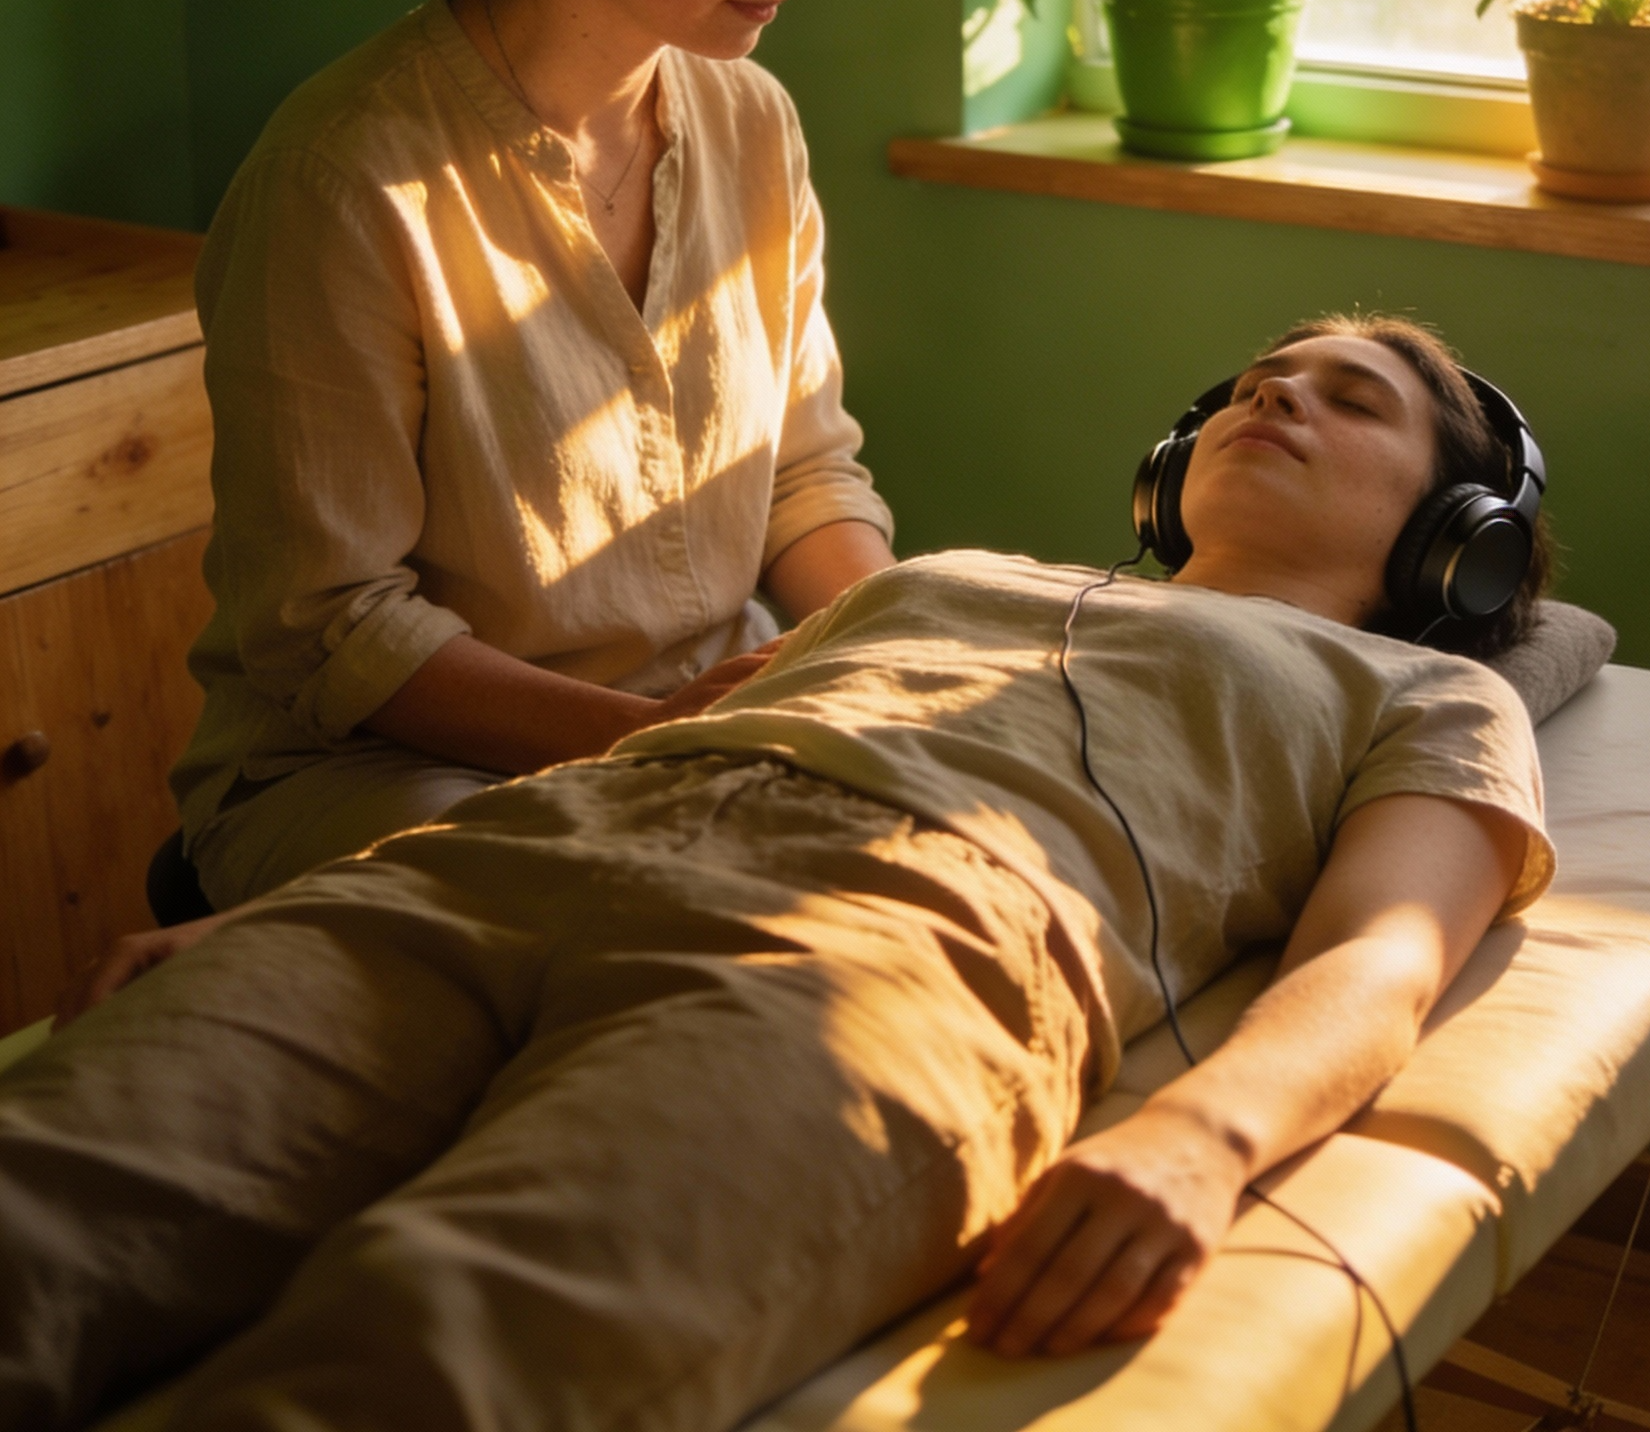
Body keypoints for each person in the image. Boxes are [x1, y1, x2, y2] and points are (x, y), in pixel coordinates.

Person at [0, 316, 1556, 1432]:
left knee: (430, 1349)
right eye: (1266, 374)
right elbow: (634, 751)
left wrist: (1200, 1140)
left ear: (1452, 543)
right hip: (522, 855)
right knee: (50, 1204)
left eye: (1351, 400)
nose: (1276, 389)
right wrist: (292, 907)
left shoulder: (1428, 696)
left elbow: (1382, 953)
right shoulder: (952, 578)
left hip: (891, 956)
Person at [168, 0, 897, 912]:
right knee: (659, 934)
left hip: (702, 719)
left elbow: (799, 471)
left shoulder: (748, 122)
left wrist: (894, 651)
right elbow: (334, 626)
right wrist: (651, 737)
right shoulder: (346, 178)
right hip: (393, 771)